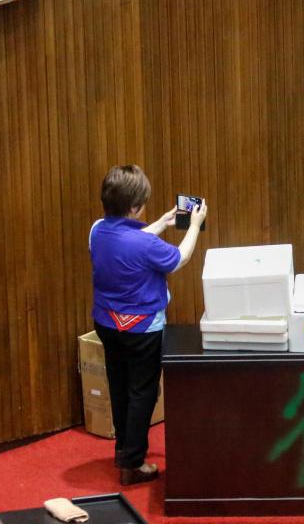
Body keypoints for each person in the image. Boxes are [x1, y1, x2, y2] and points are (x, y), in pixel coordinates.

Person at [89, 165, 207, 485]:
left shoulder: (97, 229)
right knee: (143, 392)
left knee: (119, 386)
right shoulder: (145, 246)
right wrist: (192, 225)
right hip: (142, 330)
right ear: (135, 206)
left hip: (107, 324)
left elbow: (128, 241)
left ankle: (123, 451)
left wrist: (161, 223)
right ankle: (133, 463)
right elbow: (179, 258)